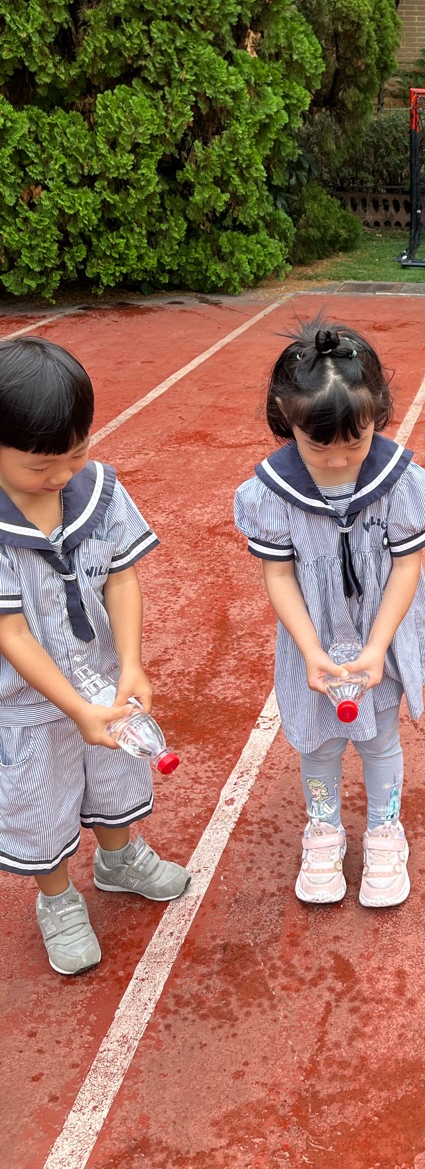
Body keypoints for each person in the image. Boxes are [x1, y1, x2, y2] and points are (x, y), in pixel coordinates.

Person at [234, 319, 425, 908]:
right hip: (315, 636)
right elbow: (279, 575)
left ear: (377, 412)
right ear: (287, 418)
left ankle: (384, 830)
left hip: (382, 632)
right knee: (318, 744)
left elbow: (405, 568)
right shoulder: (271, 493)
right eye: (319, 445)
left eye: (355, 442)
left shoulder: (400, 483)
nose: (337, 459)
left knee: (380, 740)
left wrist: (376, 648)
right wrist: (310, 650)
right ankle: (323, 828)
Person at [0, 338, 190, 976]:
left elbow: (122, 578)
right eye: (39, 466)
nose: (61, 475)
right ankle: (56, 898)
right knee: (39, 800)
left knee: (115, 775)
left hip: (103, 683)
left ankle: (117, 858)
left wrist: (130, 663)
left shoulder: (99, 492)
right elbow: (12, 633)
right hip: (28, 704)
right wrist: (74, 708)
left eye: (76, 453)